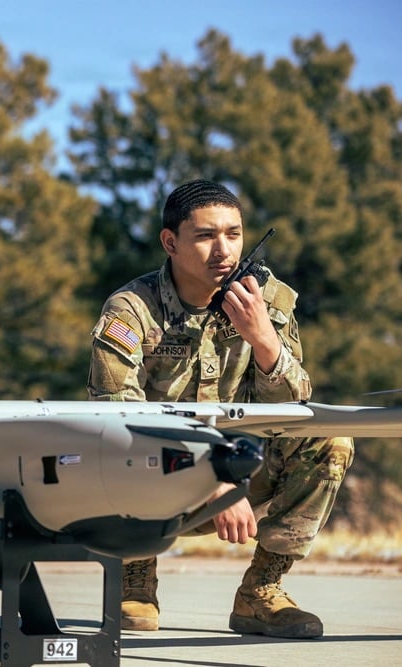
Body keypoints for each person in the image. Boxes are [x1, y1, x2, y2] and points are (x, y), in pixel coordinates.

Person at [87, 179, 353, 639]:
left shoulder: (267, 300)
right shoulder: (131, 311)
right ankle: (134, 576)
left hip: (240, 468)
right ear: (170, 242)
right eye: (206, 236)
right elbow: (118, 418)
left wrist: (263, 340)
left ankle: (261, 589)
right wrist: (213, 479)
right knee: (114, 447)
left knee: (330, 440)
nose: (223, 250)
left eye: (234, 234)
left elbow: (294, 411)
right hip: (154, 477)